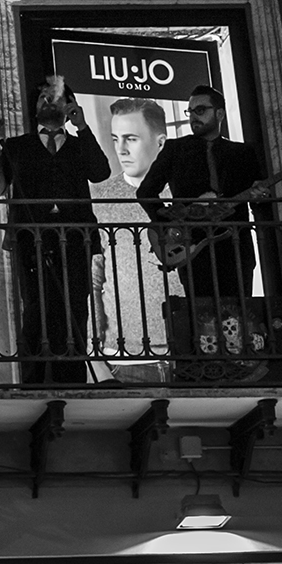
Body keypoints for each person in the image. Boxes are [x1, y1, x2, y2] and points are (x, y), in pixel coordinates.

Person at [0, 78, 112, 384]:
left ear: (67, 105)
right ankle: (35, 381)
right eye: (42, 98)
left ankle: (73, 381)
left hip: (76, 241)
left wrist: (82, 126)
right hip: (31, 240)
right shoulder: (17, 146)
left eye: (54, 97)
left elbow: (101, 172)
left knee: (76, 308)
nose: (47, 102)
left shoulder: (80, 145)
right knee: (36, 310)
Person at [136, 86, 269, 299]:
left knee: (240, 314)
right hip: (193, 246)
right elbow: (146, 192)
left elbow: (261, 205)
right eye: (190, 112)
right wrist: (172, 225)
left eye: (200, 110)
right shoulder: (175, 149)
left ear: (219, 113)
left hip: (234, 246)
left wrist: (262, 197)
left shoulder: (243, 153)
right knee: (201, 314)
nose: (193, 117)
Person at [92, 99, 183, 380]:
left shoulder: (183, 193)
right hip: (125, 360)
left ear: (161, 143)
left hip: (189, 349)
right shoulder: (100, 197)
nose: (121, 150)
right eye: (116, 139)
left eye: (131, 139)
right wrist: (93, 354)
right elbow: (93, 277)